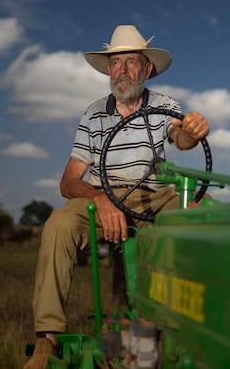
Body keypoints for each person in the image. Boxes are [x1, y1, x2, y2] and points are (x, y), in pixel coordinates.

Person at [23, 25, 210, 369]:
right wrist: (100, 200)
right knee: (59, 224)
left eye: (131, 62)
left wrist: (193, 130)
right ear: (108, 69)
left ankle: (188, 334)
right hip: (101, 195)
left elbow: (180, 138)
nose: (123, 70)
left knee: (205, 219)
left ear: (146, 68)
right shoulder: (93, 113)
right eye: (116, 63)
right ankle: (46, 339)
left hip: (154, 196)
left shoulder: (164, 105)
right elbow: (68, 182)